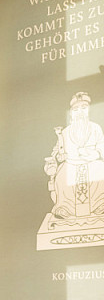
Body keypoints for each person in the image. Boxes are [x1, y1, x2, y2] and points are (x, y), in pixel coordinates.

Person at [44, 91, 104, 219]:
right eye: (76, 109)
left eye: (83, 108)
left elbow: (101, 147)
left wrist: (94, 153)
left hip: (91, 161)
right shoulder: (65, 132)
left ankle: (100, 204)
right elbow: (56, 151)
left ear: (89, 110)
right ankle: (65, 207)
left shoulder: (95, 128)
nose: (80, 112)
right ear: (71, 112)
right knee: (62, 174)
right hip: (71, 163)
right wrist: (54, 160)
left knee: (100, 169)